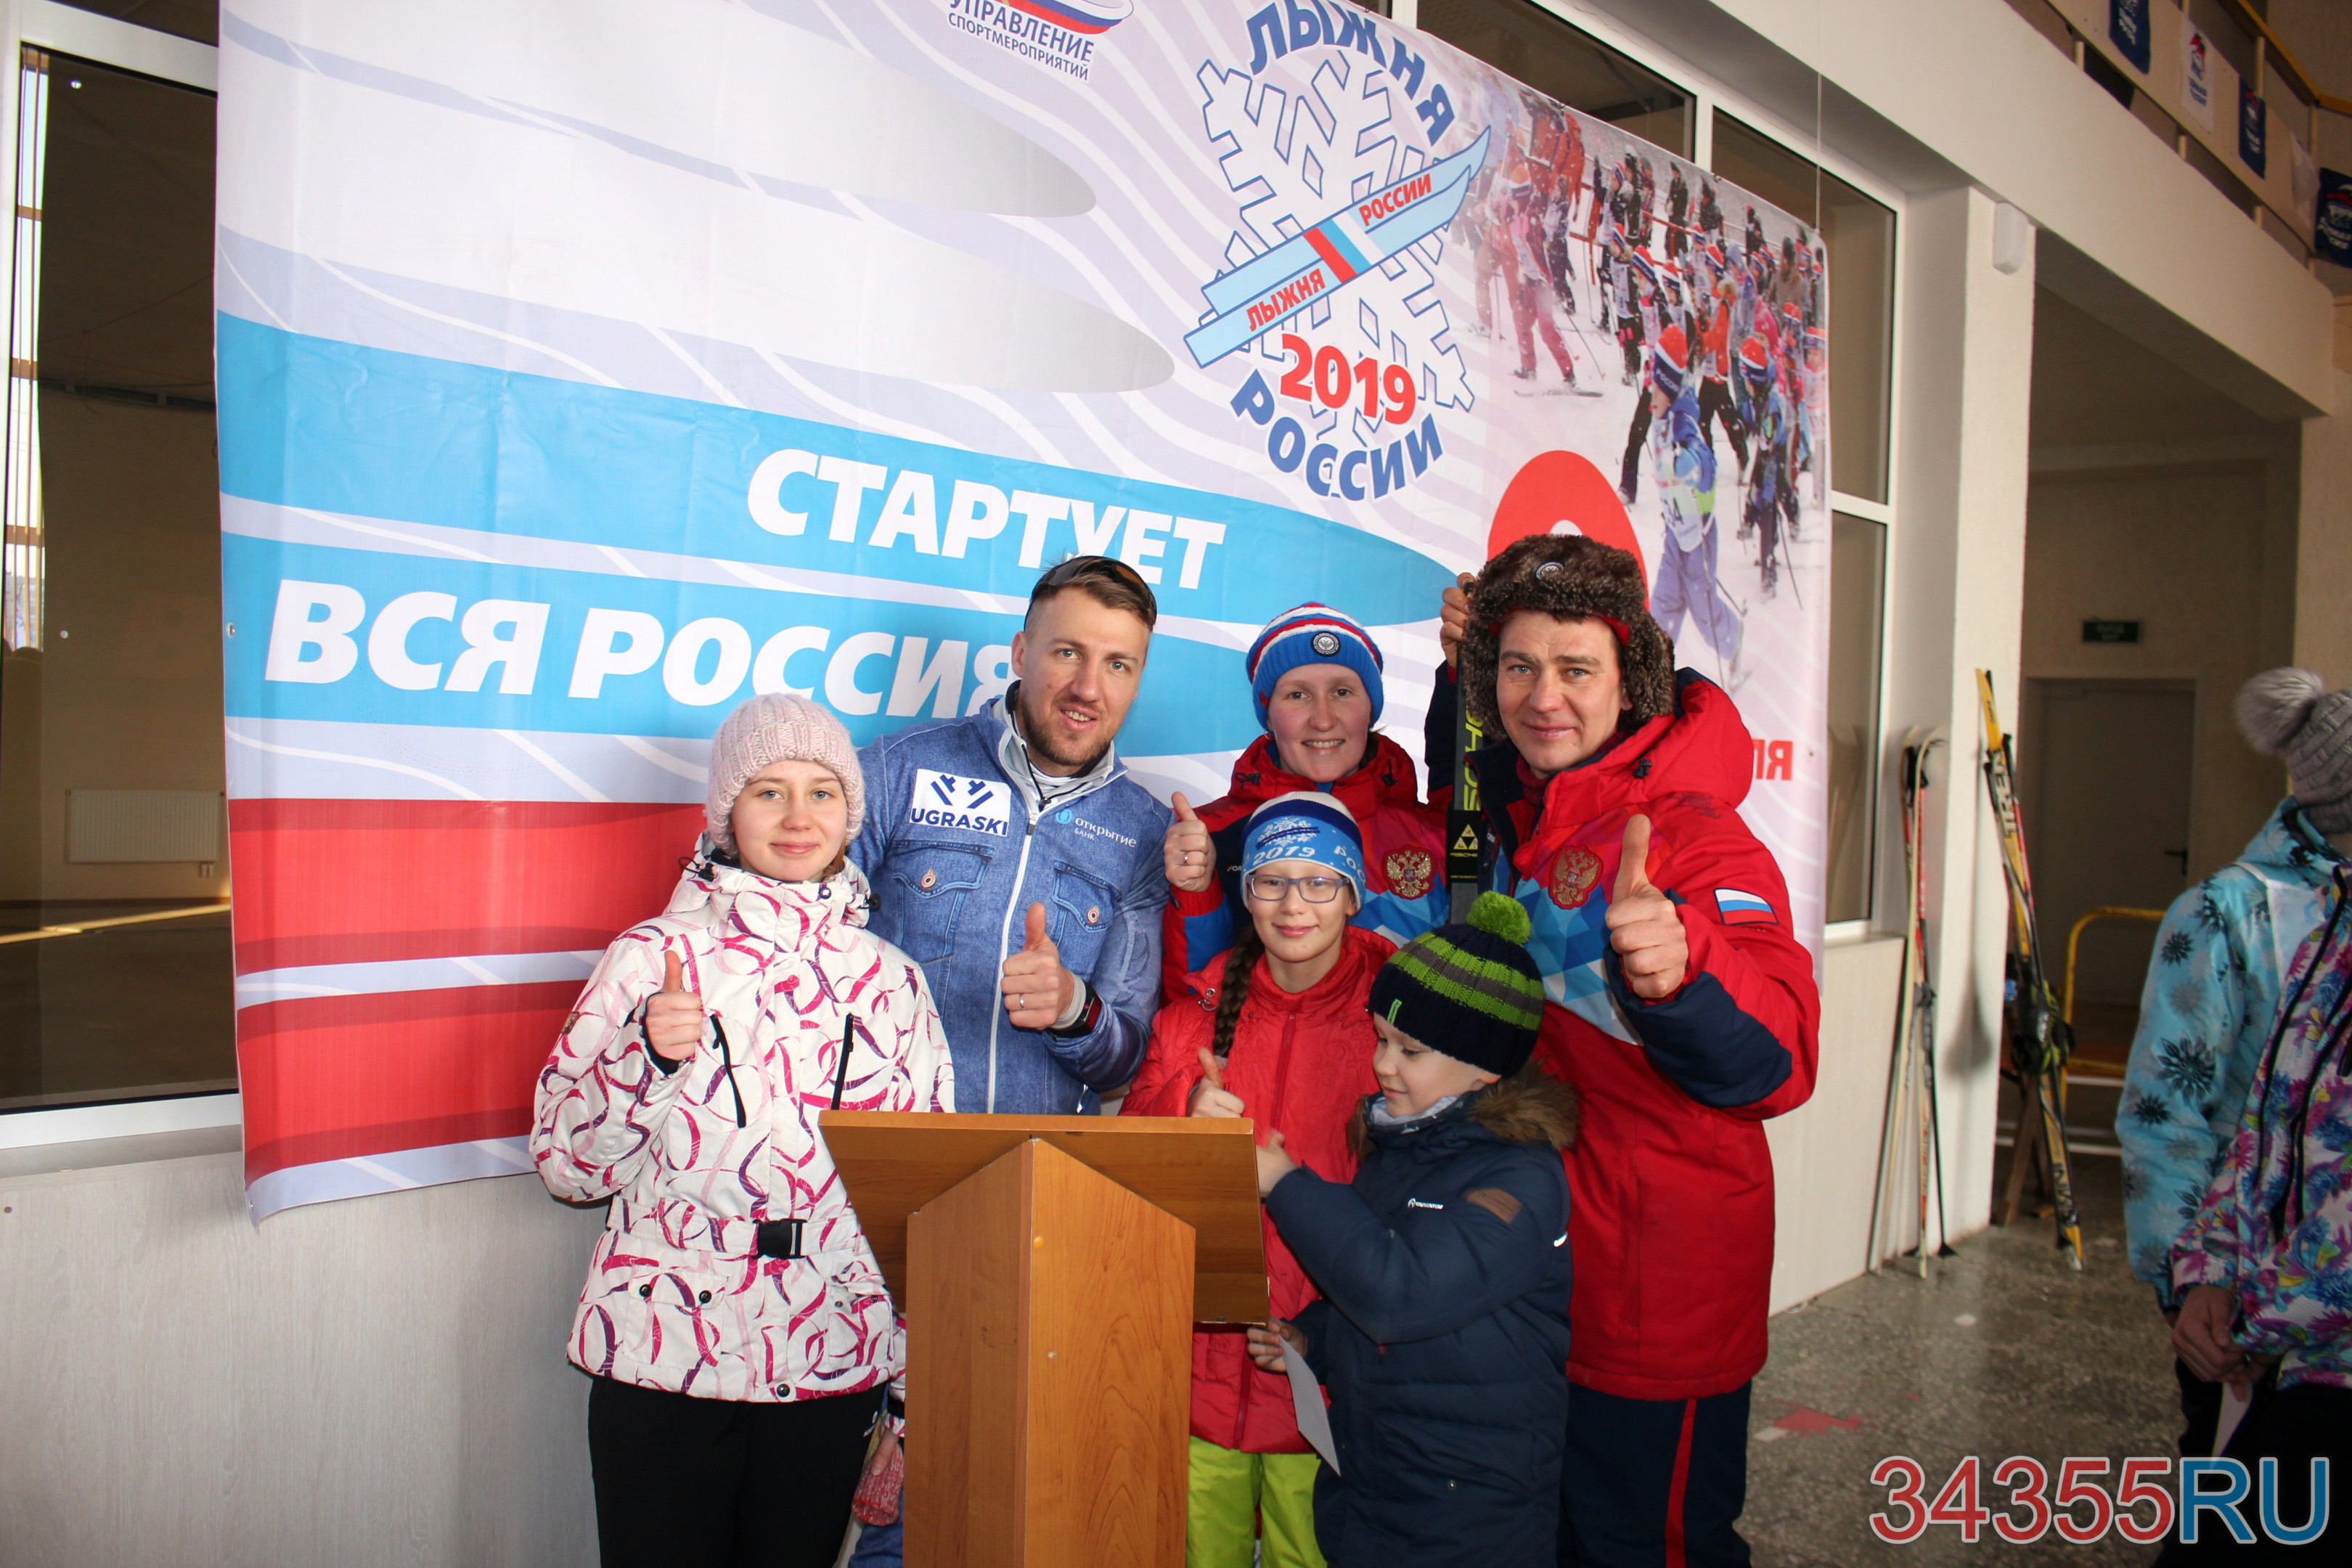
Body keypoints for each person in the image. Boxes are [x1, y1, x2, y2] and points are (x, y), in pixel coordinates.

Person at [1427, 533, 1819, 1567]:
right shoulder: (1532, 813)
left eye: (1576, 669)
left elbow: (1781, 1064)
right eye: (1519, 668)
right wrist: (1460, 675)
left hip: (1656, 1302)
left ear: (1629, 680)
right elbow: (1463, 789)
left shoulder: (1696, 835)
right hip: (1543, 1279)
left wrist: (1685, 974)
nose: (1543, 697)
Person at [531, 693, 954, 1568]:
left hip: (829, 1354)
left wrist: (909, 1396)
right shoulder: (651, 957)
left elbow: (924, 1202)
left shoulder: (895, 984)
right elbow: (568, 1168)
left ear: (849, 814)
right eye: (769, 792)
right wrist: (647, 1056)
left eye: (822, 793)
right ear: (727, 812)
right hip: (664, 1353)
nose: (798, 818)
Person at [844, 553, 1172, 1566]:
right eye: (1068, 652)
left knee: (983, 1507)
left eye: (1118, 665)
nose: (1087, 686)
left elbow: (1123, 1056)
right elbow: (801, 950)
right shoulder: (899, 770)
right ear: (1022, 651)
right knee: (847, 1513)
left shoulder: (1143, 833)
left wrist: (1073, 1010)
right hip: (865, 1212)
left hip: (1019, 1222)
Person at [1245, 891, 1579, 1568]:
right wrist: (1313, 1339)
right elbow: (1365, 1284)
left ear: (1486, 1067)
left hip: (1470, 1511)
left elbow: (1400, 1293)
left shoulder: (1521, 1180)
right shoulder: (1403, 1145)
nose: (1383, 1065)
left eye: (1411, 1050)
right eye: (1381, 1039)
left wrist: (1286, 1184)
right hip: (1380, 1480)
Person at [1124, 793, 1390, 1568]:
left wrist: (1325, 1335)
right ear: (1245, 894)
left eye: (1319, 881)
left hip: (1323, 1374)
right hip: (1201, 1374)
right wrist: (1183, 1108)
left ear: (1352, 894)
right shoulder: (1193, 1012)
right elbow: (1126, 1159)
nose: (1293, 904)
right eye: (1271, 881)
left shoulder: (1393, 1020)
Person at [2122, 669, 2351, 1457]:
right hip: (2237, 1299)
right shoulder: (2230, 910)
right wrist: (2190, 1286)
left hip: (2297, 1313)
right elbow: (2166, 1114)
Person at [2162, 853, 2351, 1560]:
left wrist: (2250, 1316)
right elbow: (2269, 1130)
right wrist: (2210, 1271)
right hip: (2282, 1355)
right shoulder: (2333, 924)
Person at [1159, 604, 1445, 1000]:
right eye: (1298, 695)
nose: (1323, 720)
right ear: (1268, 715)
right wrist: (1196, 892)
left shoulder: (1434, 837)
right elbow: (1193, 1007)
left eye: (1342, 692)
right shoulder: (1211, 835)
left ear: (1371, 707)